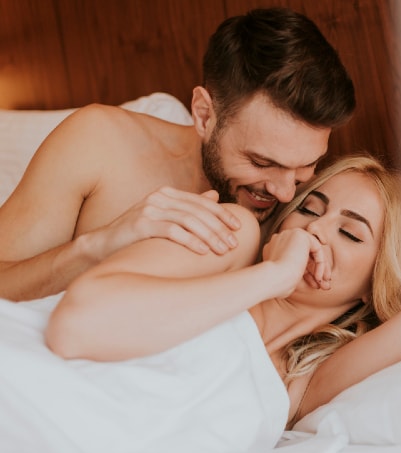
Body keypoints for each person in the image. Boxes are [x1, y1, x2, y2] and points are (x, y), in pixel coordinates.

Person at [44, 155, 401, 429]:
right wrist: (272, 276)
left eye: (350, 234)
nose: (315, 230)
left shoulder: (304, 384)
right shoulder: (234, 240)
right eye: (309, 209)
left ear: (375, 285)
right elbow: (77, 325)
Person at [0, 7, 355, 302]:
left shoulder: (311, 211)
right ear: (203, 114)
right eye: (262, 162)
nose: (285, 192)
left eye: (307, 165)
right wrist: (96, 247)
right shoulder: (100, 141)